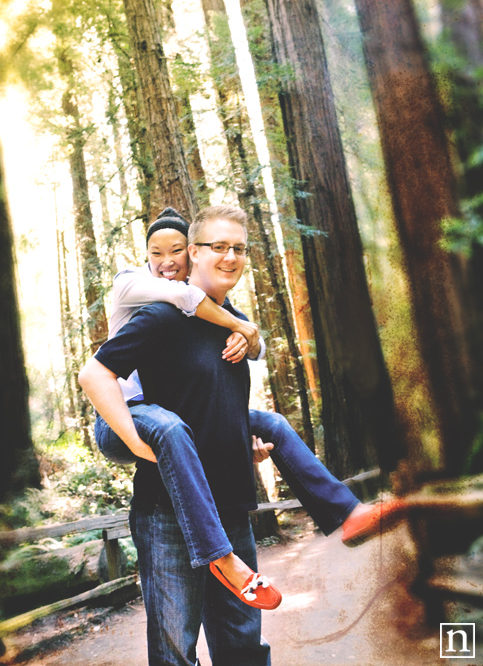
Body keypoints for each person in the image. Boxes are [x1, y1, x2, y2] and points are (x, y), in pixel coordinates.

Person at [92, 207, 407, 581]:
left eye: (174, 250)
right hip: (122, 417)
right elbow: (186, 301)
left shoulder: (205, 305)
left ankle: (346, 512)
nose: (166, 261)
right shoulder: (136, 286)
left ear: (187, 251)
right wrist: (240, 325)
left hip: (168, 417)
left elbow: (254, 348)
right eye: (156, 253)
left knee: (269, 422)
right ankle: (218, 554)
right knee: (170, 428)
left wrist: (247, 340)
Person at [79, 206, 280, 665]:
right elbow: (94, 375)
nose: (229, 258)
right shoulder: (159, 311)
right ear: (196, 253)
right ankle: (218, 554)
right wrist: (132, 441)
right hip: (166, 511)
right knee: (175, 652)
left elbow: (216, 403)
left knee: (244, 649)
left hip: (229, 504)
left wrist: (242, 441)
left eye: (238, 249)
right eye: (218, 247)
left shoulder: (233, 324)